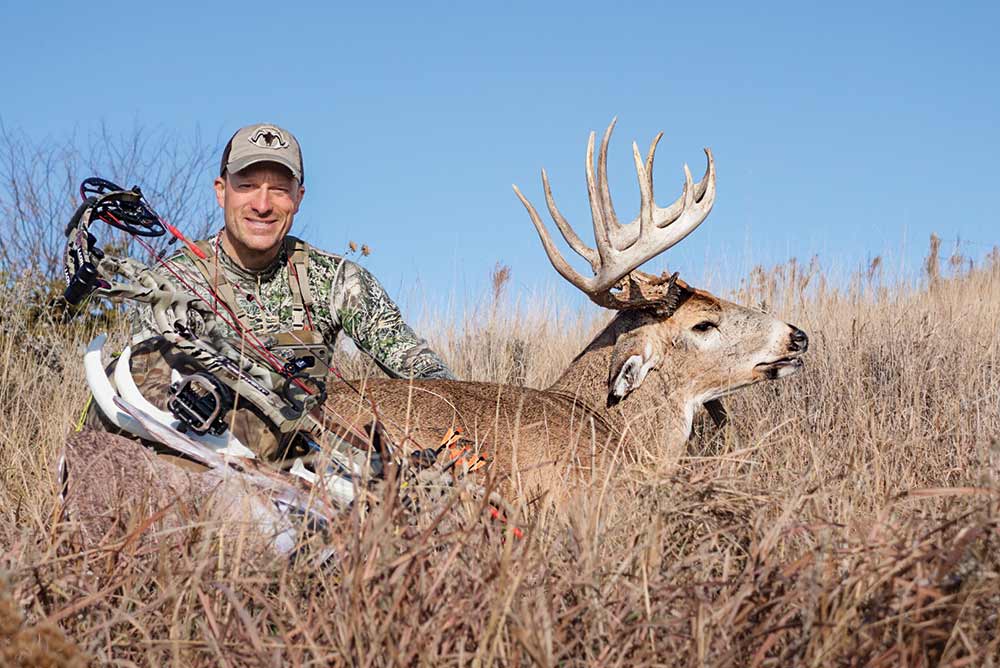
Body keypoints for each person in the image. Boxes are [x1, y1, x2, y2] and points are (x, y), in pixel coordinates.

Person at [85, 122, 453, 462]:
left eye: (279, 190)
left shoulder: (337, 280)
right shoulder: (172, 282)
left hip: (308, 470)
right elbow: (141, 392)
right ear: (221, 191)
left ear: (299, 197)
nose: (262, 205)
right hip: (201, 457)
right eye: (246, 186)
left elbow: (424, 372)